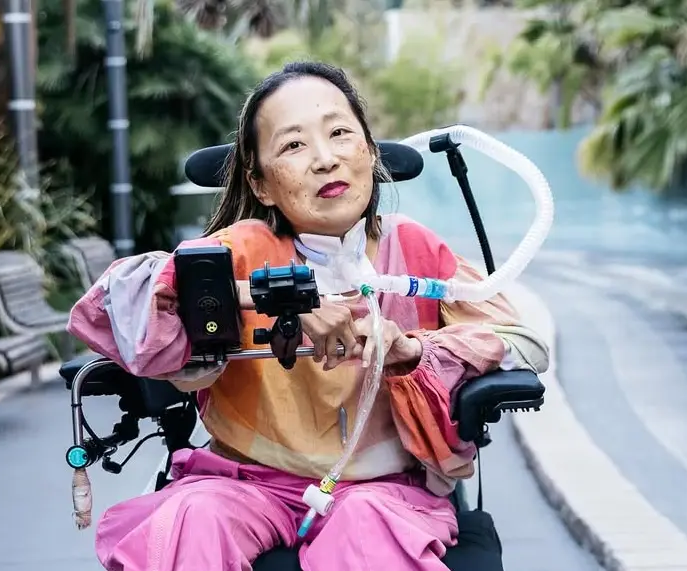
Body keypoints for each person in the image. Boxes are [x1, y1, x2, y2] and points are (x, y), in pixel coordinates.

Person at [68, 61, 549, 571]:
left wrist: (411, 349)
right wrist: (277, 296)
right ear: (260, 184)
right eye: (294, 145)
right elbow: (114, 302)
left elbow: (525, 345)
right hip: (245, 482)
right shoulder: (237, 251)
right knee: (191, 517)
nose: (325, 159)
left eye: (340, 133)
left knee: (367, 526)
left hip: (383, 490)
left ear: (368, 151)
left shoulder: (413, 248)